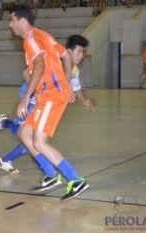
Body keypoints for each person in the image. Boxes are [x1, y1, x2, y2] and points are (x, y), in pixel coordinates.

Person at [0, 35, 94, 191]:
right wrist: (36, 93)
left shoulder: (73, 70)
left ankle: (7, 154)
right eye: (79, 51)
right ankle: (5, 129)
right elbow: (26, 73)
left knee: (29, 138)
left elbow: (75, 86)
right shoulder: (55, 59)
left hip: (45, 100)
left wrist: (84, 100)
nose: (82, 55)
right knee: (31, 139)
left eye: (83, 52)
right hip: (32, 96)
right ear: (68, 52)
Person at [6, 6, 89, 201]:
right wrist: (66, 84)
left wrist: (26, 98)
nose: (10, 25)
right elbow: (66, 56)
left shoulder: (31, 38)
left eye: (12, 20)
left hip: (51, 95)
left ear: (22, 21)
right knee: (24, 133)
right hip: (48, 94)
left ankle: (75, 180)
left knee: (39, 142)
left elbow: (41, 65)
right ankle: (51, 175)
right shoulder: (43, 36)